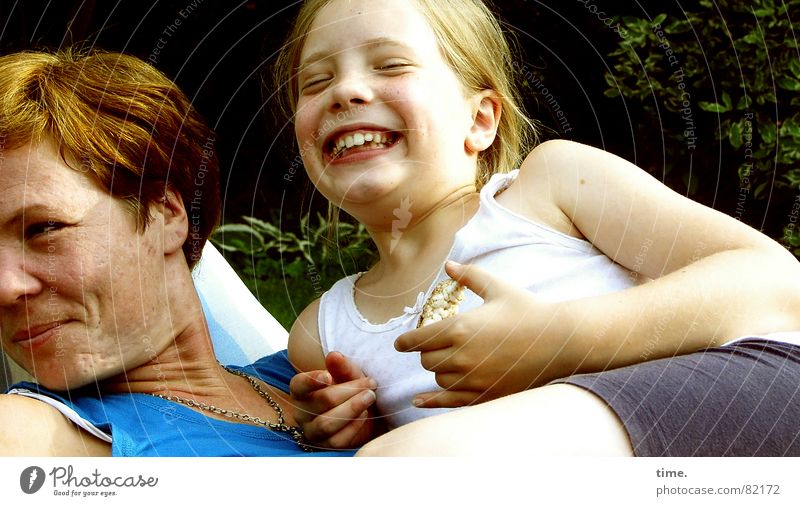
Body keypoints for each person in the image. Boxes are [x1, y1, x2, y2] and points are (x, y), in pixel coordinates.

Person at [279, 0, 800, 455]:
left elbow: (777, 284)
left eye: (390, 65)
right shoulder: (321, 332)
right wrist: (341, 424)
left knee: (406, 465)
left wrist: (560, 339)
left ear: (480, 120)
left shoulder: (550, 187)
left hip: (751, 399)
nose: (344, 90)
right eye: (315, 81)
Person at [0, 48, 350, 456]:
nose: (6, 287)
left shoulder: (317, 380)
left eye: (43, 228)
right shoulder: (35, 438)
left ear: (165, 213)